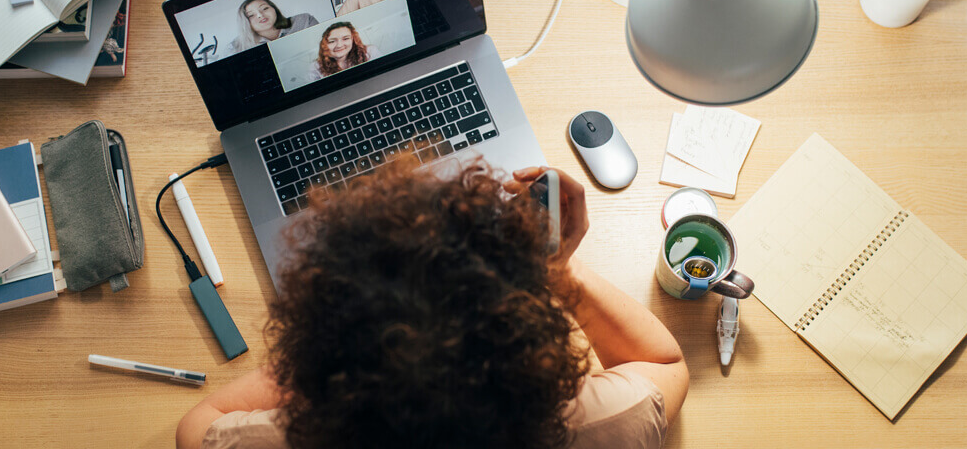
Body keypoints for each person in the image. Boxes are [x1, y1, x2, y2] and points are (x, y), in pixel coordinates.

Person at [176, 158, 690, 449]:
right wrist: (556, 271)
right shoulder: (606, 424)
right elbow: (664, 364)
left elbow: (198, 425)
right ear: (535, 358)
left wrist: (318, 356)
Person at [231, 0, 319, 54]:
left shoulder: (304, 20)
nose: (260, 15)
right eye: (251, 15)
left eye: (265, 8)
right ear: (245, 23)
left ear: (274, 9)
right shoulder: (236, 47)